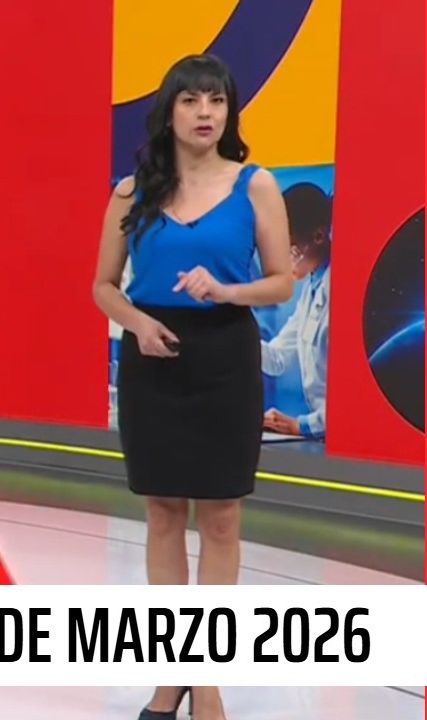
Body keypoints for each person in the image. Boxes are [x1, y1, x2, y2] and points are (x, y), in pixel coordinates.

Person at [92, 54, 293, 720]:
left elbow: (280, 282)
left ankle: (207, 680)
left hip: (225, 356)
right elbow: (102, 286)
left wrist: (226, 290)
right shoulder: (132, 193)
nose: (206, 113)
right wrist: (138, 324)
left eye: (217, 100)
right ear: (170, 111)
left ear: (229, 111)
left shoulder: (256, 186)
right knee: (162, 514)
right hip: (152, 357)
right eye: (191, 100)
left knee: (222, 517)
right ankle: (170, 673)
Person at [260, 183, 332, 439]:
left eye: (290, 248)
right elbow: (277, 359)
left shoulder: (341, 289)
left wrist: (298, 426)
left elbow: (354, 398)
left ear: (318, 236)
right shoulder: (312, 288)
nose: (283, 259)